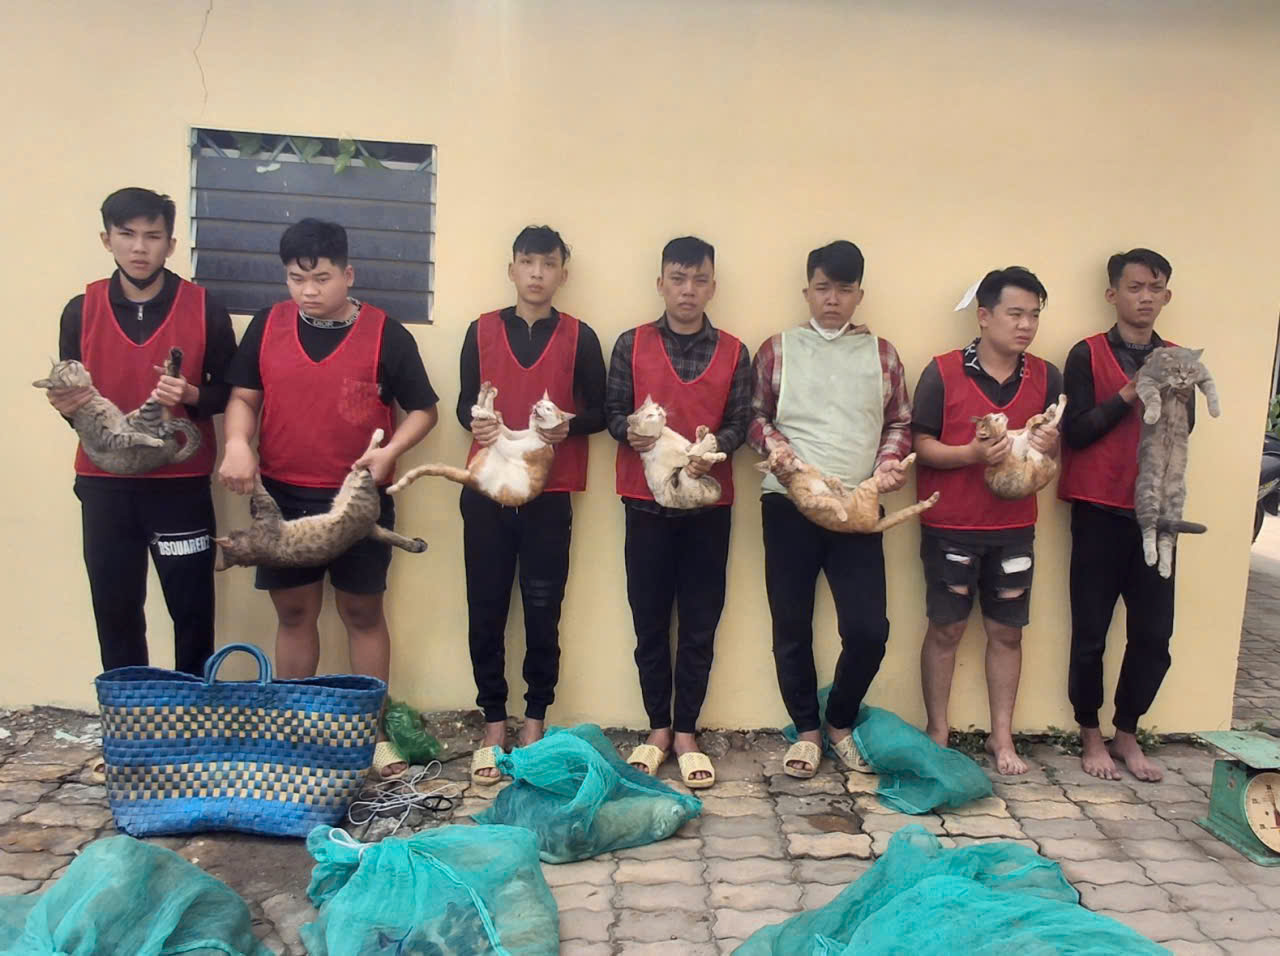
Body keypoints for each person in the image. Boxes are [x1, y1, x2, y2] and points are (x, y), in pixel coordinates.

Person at [219, 218, 439, 779]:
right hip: (283, 498)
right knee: (294, 612)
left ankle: (371, 732)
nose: (309, 291)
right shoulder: (267, 326)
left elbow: (423, 410)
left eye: (321, 278)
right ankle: (295, 731)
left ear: (348, 274)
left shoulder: (388, 335)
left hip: (358, 503)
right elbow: (243, 397)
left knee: (362, 612)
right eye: (297, 279)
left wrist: (391, 452)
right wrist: (238, 443)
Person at [49, 187, 235, 682]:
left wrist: (192, 394)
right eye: (126, 234)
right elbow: (74, 401)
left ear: (170, 244)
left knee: (192, 610)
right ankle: (129, 717)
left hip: (181, 484)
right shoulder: (80, 310)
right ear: (106, 239)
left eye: (152, 236)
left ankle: (193, 715)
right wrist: (67, 409)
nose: (138, 247)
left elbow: (230, 394)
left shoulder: (205, 308)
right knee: (115, 608)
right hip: (104, 484)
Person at [749, 240, 912, 778]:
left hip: (857, 506)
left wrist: (887, 468)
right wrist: (785, 459)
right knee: (790, 622)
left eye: (844, 290)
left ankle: (840, 720)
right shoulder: (777, 349)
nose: (833, 300)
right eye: (823, 288)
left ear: (859, 294)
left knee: (868, 630)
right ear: (807, 291)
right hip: (788, 503)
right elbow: (755, 416)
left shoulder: (882, 355)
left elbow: (899, 422)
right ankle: (807, 730)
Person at [457, 225, 606, 783]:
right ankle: (493, 721)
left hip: (550, 492)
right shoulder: (480, 331)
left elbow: (602, 413)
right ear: (512, 269)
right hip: (488, 489)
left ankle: (535, 720)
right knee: (486, 606)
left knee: (544, 608)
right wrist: (477, 422)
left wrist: (569, 425)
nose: (537, 273)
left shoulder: (580, 337)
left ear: (563, 273)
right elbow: (463, 406)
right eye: (527, 262)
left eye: (547, 264)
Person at [606, 236, 752, 789]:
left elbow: (741, 423)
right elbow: (612, 413)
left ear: (712, 286)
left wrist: (712, 448)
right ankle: (658, 729)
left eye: (699, 280)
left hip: (708, 505)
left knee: (699, 622)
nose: (688, 290)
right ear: (661, 283)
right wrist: (632, 432)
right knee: (648, 620)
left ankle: (688, 731)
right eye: (678, 279)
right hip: (644, 502)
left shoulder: (735, 351)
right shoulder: (631, 344)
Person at [912, 266, 1063, 775]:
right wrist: (971, 454)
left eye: (1034, 315)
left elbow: (1053, 451)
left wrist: (1046, 445)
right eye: (1015, 314)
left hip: (1014, 528)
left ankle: (1003, 738)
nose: (1026, 325)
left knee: (1007, 633)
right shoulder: (942, 372)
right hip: (950, 525)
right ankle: (938, 730)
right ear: (983, 315)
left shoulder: (1046, 377)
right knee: (946, 630)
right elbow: (920, 445)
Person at [1059, 248, 1188, 783]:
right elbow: (1075, 432)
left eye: (1155, 289)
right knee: (1091, 632)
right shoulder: (1086, 354)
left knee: (1154, 636)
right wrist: (1131, 392)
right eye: (1135, 288)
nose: (1145, 298)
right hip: (1098, 511)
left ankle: (1127, 732)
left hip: (1157, 516)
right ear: (1113, 294)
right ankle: (1090, 733)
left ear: (1167, 296)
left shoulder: (1178, 356)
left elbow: (1184, 430)